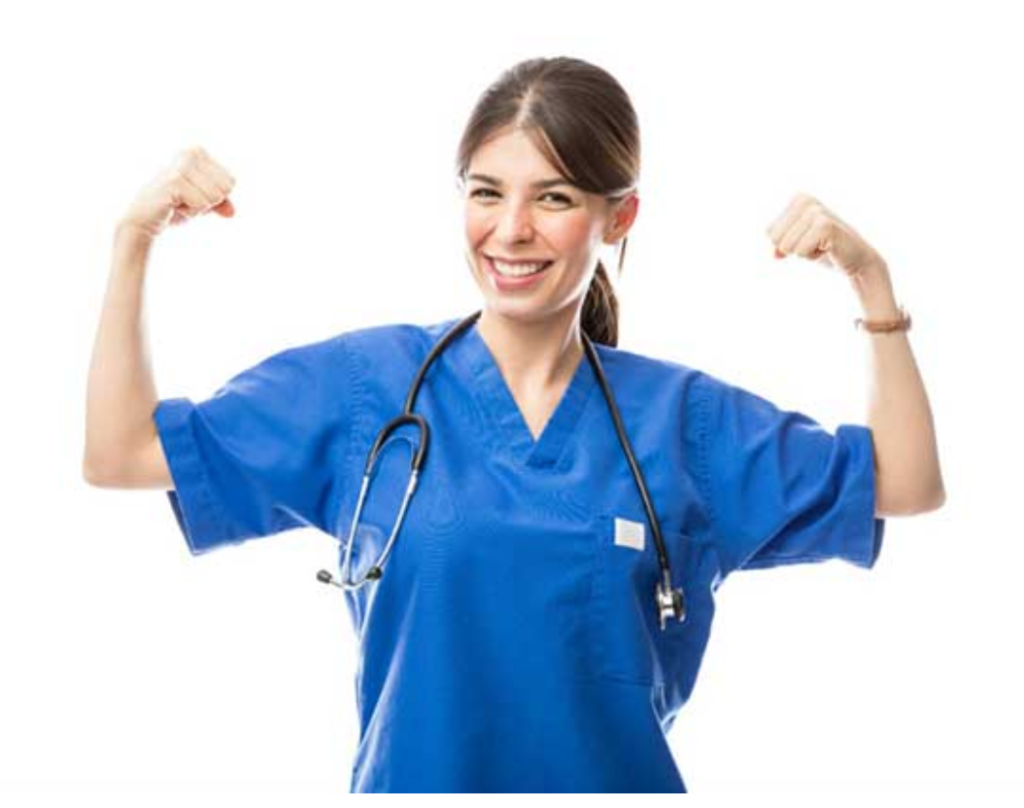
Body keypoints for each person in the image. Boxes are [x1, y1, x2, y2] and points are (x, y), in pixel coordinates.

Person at [84, 56, 945, 793]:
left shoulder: (686, 424)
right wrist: (133, 241)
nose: (512, 230)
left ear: (620, 217)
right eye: (487, 193)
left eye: (555, 197)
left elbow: (904, 484)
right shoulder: (367, 388)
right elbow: (121, 453)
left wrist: (871, 283)